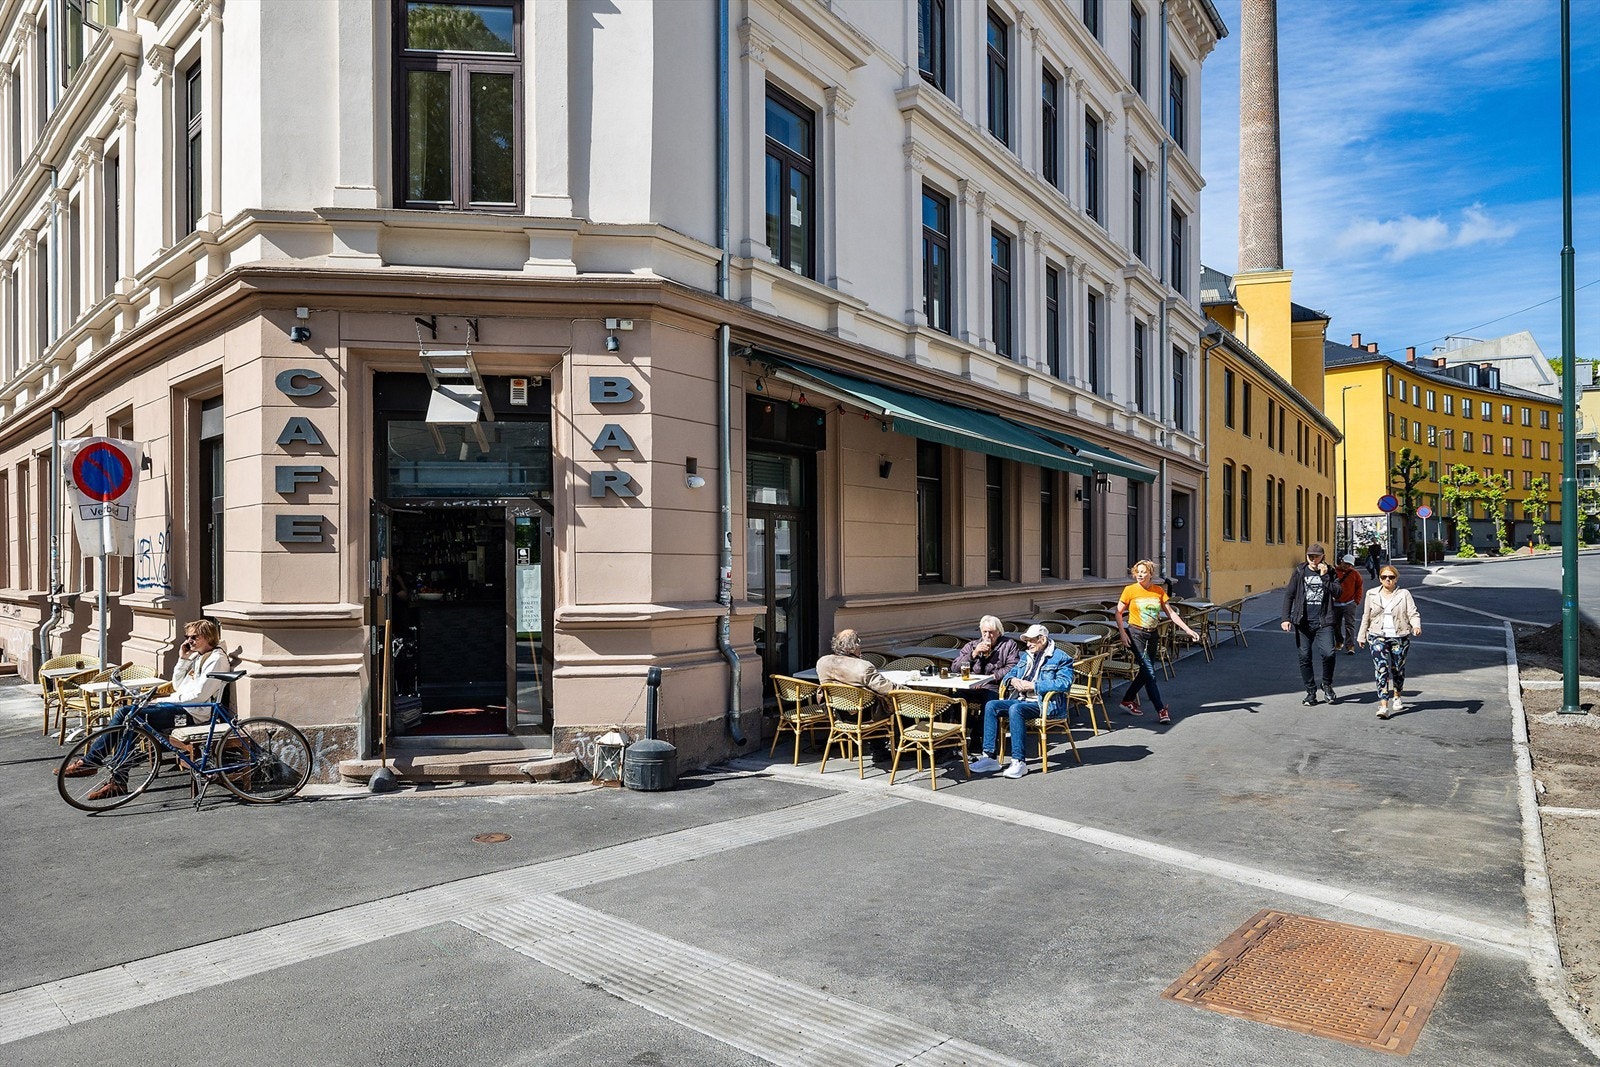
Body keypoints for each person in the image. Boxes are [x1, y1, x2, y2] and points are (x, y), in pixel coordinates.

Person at [60, 620, 233, 799]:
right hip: (180, 706)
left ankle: (96, 765)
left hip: (192, 713)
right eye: (187, 637)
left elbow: (200, 695)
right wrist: (183, 659)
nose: (189, 641)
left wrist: (165, 700)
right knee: (130, 718)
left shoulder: (216, 659)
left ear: (208, 636)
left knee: (127, 714)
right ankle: (114, 779)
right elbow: (177, 685)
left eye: (194, 637)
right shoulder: (198, 657)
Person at [968, 624, 1074, 779]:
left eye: (1031, 640)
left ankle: (1019, 762)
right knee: (991, 705)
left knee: (1016, 709)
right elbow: (1009, 674)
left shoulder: (1061, 657)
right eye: (1026, 641)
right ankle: (989, 757)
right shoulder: (1027, 656)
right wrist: (1013, 680)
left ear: (1042, 639)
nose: (1028, 644)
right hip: (1022, 699)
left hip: (1045, 704)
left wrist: (1033, 685)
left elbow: (1064, 683)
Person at [1114, 559, 1201, 725]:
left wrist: (1188, 630)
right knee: (1149, 672)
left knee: (1146, 671)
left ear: (1150, 574)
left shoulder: (1158, 591)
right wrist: (1123, 633)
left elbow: (1171, 613)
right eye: (1137, 572)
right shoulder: (1130, 590)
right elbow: (1118, 613)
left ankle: (1127, 700)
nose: (1140, 575)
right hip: (1136, 634)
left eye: (1143, 572)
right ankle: (1161, 709)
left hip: (1152, 634)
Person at [815, 628, 896, 760]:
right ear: (854, 647)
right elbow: (885, 688)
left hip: (836, 712)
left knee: (871, 701)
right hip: (863, 714)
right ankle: (884, 749)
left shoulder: (822, 662)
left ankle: (877, 747)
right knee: (890, 704)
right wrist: (906, 690)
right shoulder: (863, 666)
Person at [1357, 565, 1422, 719]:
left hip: (1399, 635)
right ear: (1380, 579)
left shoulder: (1404, 594)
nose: (1388, 580)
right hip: (1377, 635)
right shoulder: (1372, 594)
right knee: (1381, 668)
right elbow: (1366, 615)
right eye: (1384, 577)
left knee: (1397, 668)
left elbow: (1412, 613)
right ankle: (1383, 705)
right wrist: (1361, 635)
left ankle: (1397, 695)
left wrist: (1416, 626)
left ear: (1396, 579)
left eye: (1391, 577)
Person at [1281, 543, 1341, 705]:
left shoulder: (1330, 571)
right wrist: (1285, 618)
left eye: (1316, 556)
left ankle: (1326, 684)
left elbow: (1338, 592)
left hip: (1324, 621)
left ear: (1323, 557)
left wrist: (1325, 576)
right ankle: (1310, 692)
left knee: (1329, 653)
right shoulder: (1300, 571)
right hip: (1303, 621)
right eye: (1310, 556)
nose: (1313, 559)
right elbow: (1289, 595)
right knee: (1304, 656)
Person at [949, 614, 1021, 713]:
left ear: (999, 632)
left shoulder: (1009, 645)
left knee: (989, 704)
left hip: (993, 686)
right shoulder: (972, 645)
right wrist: (974, 653)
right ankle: (968, 722)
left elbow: (1013, 666)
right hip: (971, 686)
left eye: (991, 632)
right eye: (985, 632)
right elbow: (954, 668)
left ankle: (981, 724)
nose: (987, 635)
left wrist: (992, 677)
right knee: (954, 700)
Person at [1333, 553, 1366, 653]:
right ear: (1342, 561)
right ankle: (1339, 641)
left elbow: (1359, 587)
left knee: (1350, 624)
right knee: (1335, 625)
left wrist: (1356, 600)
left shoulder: (1355, 574)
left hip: (1350, 602)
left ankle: (1350, 646)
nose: (1347, 566)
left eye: (1349, 564)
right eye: (1346, 563)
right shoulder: (1334, 572)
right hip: (1335, 603)